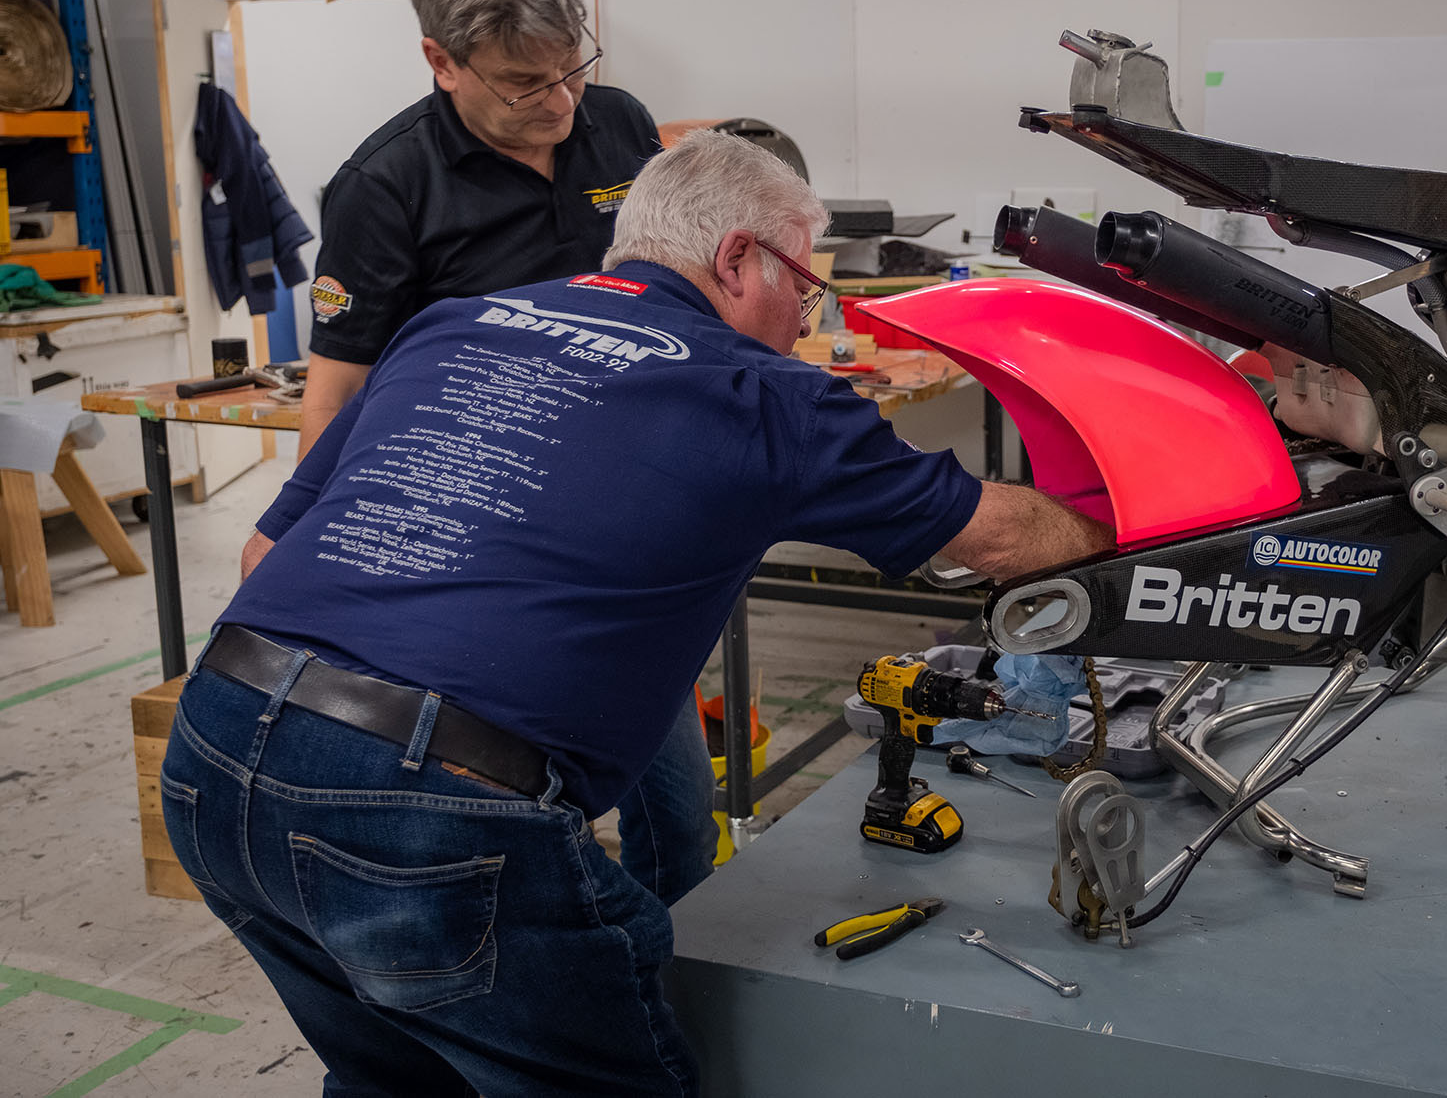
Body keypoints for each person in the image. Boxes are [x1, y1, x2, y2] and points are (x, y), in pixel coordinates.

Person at [163, 130, 1113, 1094]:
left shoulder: (455, 322)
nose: (805, 322)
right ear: (739, 257)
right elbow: (999, 540)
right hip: (428, 810)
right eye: (804, 286)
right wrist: (1145, 523)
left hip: (214, 749)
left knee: (398, 1078)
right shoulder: (763, 392)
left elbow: (262, 554)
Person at [249, 0, 718, 908]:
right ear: (441, 58)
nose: (560, 101)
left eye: (571, 66)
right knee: (506, 822)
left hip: (626, 536)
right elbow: (336, 392)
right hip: (475, 549)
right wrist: (303, 553)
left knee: (679, 816)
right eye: (524, 81)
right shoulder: (384, 189)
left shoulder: (620, 125)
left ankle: (678, 1004)